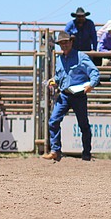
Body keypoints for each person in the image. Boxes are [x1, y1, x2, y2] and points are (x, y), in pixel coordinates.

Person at [43, 31, 100, 161]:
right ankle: (55, 150)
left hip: (79, 95)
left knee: (83, 125)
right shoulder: (59, 59)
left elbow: (94, 72)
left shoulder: (81, 57)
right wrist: (54, 80)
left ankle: (86, 153)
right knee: (53, 121)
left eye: (66, 42)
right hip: (64, 95)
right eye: (62, 43)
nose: (64, 45)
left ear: (71, 42)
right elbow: (59, 77)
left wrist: (91, 84)